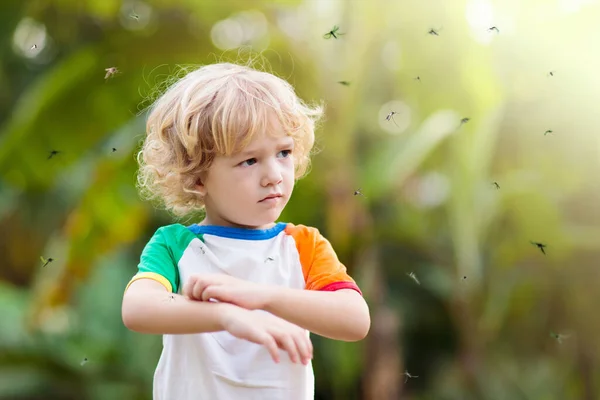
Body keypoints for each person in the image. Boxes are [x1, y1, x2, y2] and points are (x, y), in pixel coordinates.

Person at [121, 62, 370, 400]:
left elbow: (355, 320)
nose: (274, 175)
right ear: (196, 177)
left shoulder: (302, 245)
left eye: (283, 152)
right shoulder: (176, 245)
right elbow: (138, 308)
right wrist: (225, 315)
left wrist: (261, 296)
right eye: (249, 161)